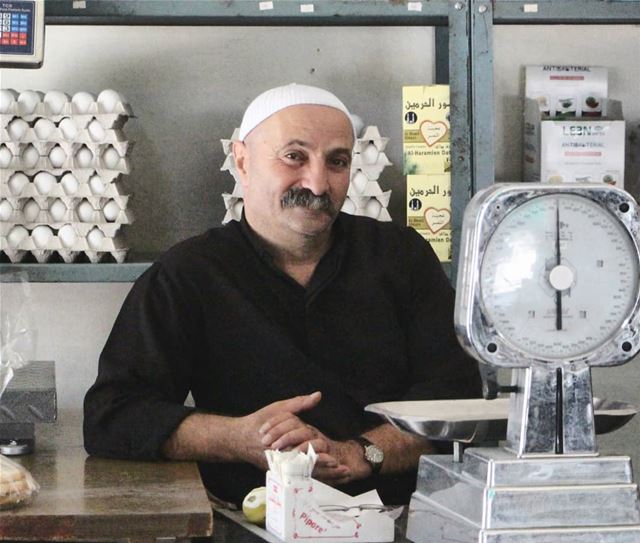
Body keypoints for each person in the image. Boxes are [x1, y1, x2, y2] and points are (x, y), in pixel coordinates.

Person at [83, 83, 481, 507]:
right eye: (294, 157)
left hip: (403, 524)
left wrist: (362, 453)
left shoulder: (400, 258)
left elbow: (458, 403)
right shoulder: (191, 273)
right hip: (252, 528)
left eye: (337, 161)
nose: (317, 182)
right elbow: (112, 416)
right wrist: (239, 439)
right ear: (242, 160)